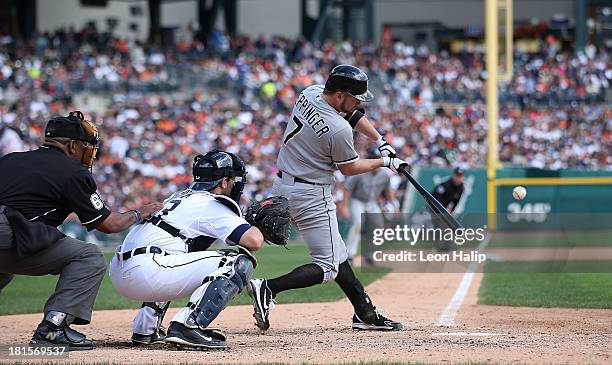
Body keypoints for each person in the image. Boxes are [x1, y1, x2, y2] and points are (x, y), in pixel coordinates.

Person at [246, 64, 407, 331]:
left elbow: (351, 113)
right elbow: (350, 168)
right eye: (354, 97)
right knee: (329, 264)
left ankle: (365, 313)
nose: (358, 103)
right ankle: (268, 288)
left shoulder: (311, 92)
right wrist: (384, 162)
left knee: (337, 253)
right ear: (340, 94)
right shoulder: (338, 129)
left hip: (283, 184)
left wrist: (379, 138)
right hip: (310, 193)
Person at [0, 111, 162, 350]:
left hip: (8, 234)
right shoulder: (73, 172)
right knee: (88, 256)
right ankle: (53, 329)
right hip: (9, 232)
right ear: (73, 145)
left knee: (4, 269)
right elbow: (109, 225)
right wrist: (140, 213)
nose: (90, 151)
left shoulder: (10, 159)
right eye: (87, 145)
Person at [109, 150, 265, 350]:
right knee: (236, 263)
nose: (236, 184)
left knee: (174, 256)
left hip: (121, 270)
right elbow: (254, 241)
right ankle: (189, 325)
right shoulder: (211, 203)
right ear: (224, 182)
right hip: (147, 271)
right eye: (234, 179)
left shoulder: (179, 197)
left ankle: (145, 329)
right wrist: (256, 225)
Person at [341, 150, 396, 265]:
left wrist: (393, 204)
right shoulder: (360, 172)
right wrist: (345, 206)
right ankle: (350, 255)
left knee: (378, 226)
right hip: (357, 200)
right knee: (357, 224)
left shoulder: (384, 175)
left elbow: (388, 191)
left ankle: (369, 255)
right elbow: (347, 187)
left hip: (372, 202)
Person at [430, 167, 465, 252]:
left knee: (448, 226)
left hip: (444, 209)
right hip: (434, 207)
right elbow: (435, 199)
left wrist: (450, 212)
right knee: (440, 226)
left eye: (460, 176)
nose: (458, 178)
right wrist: (443, 212)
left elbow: (456, 202)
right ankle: (438, 247)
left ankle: (446, 247)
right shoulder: (444, 185)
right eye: (457, 176)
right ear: (453, 175)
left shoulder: (460, 187)